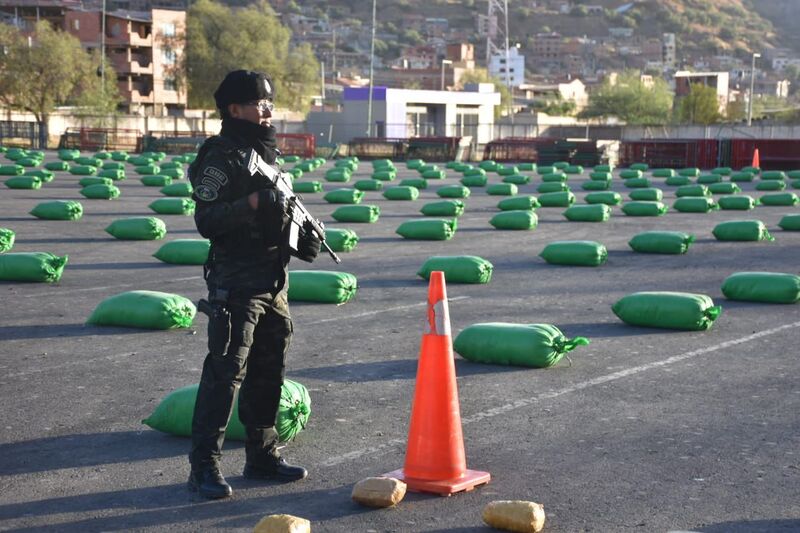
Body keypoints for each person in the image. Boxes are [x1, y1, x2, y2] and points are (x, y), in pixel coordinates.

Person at [186, 69, 322, 500]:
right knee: (225, 373)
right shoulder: (220, 156)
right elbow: (207, 220)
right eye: (259, 104)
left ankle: (261, 457)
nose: (267, 111)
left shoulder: (267, 154)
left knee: (269, 370)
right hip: (236, 282)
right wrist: (251, 202)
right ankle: (204, 467)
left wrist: (302, 236)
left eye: (269, 104)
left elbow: (279, 212)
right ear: (234, 109)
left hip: (273, 280)